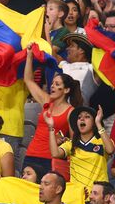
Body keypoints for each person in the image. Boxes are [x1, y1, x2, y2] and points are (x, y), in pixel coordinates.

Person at [22, 44, 81, 174]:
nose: (52, 87)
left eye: (57, 84)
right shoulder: (47, 101)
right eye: (53, 83)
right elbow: (28, 80)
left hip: (51, 159)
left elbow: (73, 142)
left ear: (66, 90)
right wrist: (29, 56)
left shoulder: (70, 112)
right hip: (31, 154)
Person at [47, 106, 114, 191]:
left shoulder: (102, 141)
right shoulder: (71, 144)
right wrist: (50, 129)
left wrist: (98, 123)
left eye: (87, 116)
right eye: (79, 117)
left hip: (99, 195)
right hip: (77, 196)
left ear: (93, 123)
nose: (82, 119)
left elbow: (110, 150)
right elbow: (55, 153)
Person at [59, 33, 97, 103]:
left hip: (81, 111)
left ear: (81, 50)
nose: (67, 48)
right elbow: (51, 54)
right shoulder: (65, 65)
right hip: (63, 110)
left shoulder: (91, 68)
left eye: (72, 46)